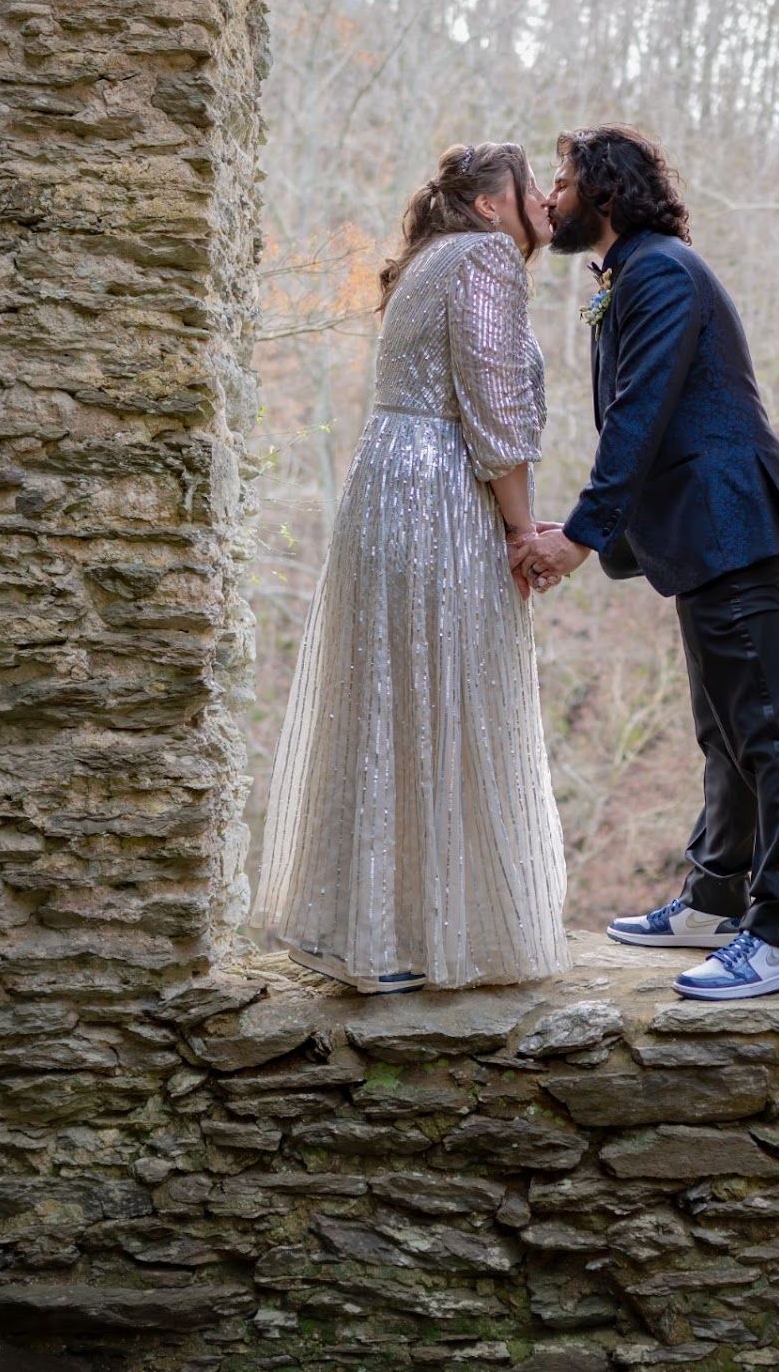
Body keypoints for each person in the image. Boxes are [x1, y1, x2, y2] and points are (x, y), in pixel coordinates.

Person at [253, 143, 570, 995]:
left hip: (383, 482)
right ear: (489, 204)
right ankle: (430, 937)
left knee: (391, 697)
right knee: (451, 691)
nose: (546, 197)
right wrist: (522, 531)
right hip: (437, 496)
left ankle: (369, 928)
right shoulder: (488, 258)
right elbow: (494, 406)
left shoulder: (430, 260)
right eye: (530, 184)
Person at [517, 126, 779, 1002]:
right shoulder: (634, 271)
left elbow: (640, 417)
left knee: (764, 728)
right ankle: (717, 896)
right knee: (724, 729)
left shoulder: (657, 272)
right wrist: (590, 532)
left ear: (605, 192)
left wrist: (576, 539)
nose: (551, 194)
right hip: (706, 534)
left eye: (565, 179)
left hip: (733, 522)